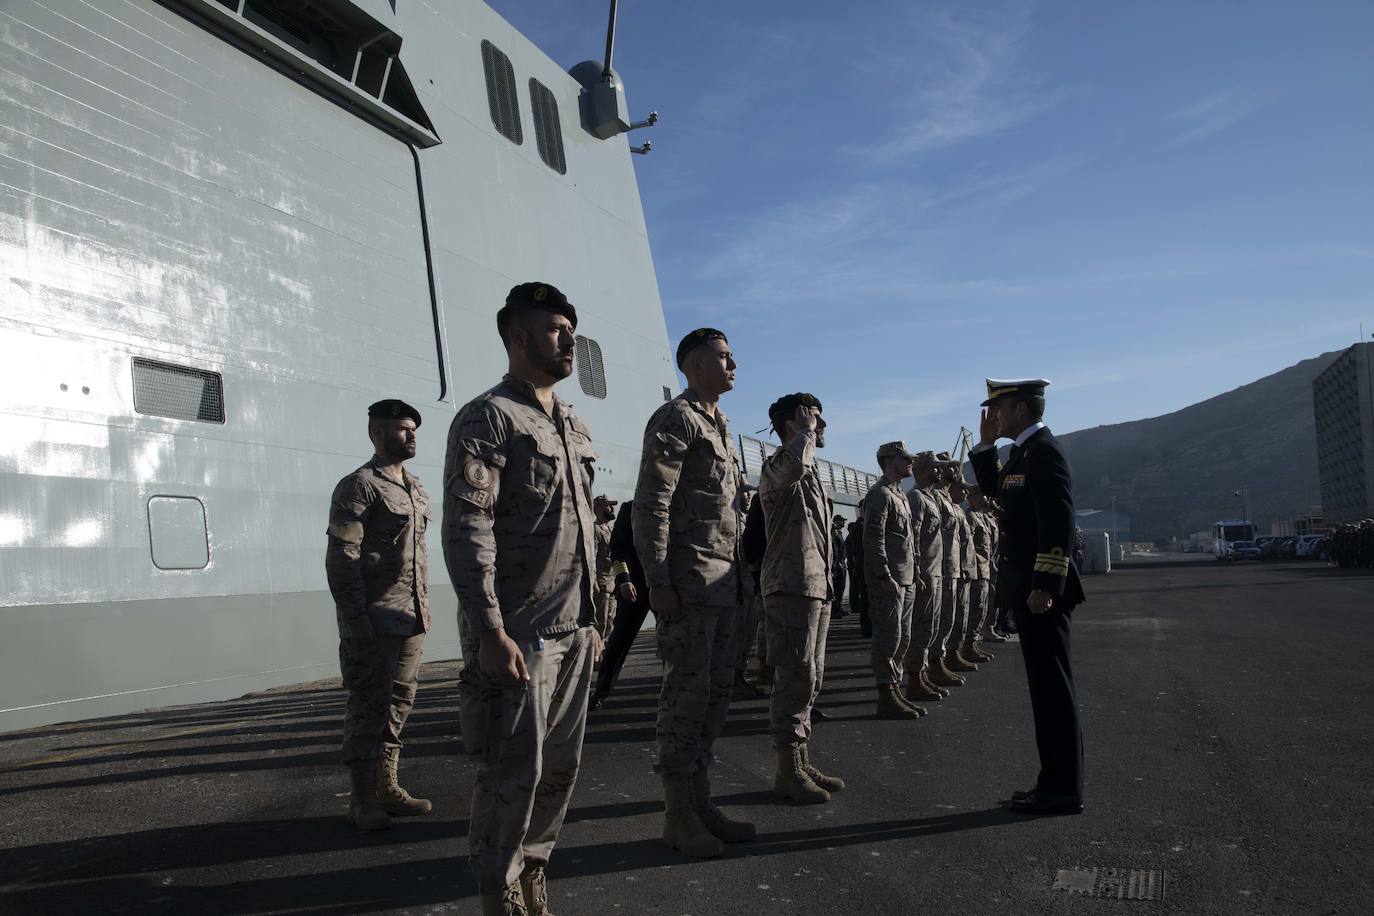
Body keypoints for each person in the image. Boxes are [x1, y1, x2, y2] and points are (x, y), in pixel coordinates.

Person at [443, 283, 603, 915]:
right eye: (555, 328)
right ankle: (497, 891)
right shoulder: (489, 418)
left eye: (570, 328)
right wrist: (489, 631)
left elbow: (588, 526)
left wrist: (596, 615)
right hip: (519, 632)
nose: (568, 340)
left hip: (575, 628)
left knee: (559, 772)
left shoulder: (573, 424)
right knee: (512, 776)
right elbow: (466, 527)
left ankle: (534, 868)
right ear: (517, 336)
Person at [633, 327, 754, 859]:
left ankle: (702, 803)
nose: (735, 365)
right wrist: (658, 580)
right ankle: (678, 815)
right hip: (689, 585)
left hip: (724, 583)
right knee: (685, 700)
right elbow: (651, 504)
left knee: (715, 697)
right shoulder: (676, 420)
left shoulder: (722, 426)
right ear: (695, 364)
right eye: (725, 357)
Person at [971, 377, 1086, 817]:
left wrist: (1045, 586)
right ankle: (1052, 782)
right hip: (1031, 586)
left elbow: (1058, 522)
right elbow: (1000, 496)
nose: (991, 417)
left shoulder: (1044, 451)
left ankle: (1061, 790)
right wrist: (983, 450)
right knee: (1045, 689)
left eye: (997, 409)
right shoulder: (1022, 452)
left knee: (1054, 689)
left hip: (1043, 590)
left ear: (1019, 410)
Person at [325, 398, 433, 832]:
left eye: (413, 429)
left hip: (411, 617)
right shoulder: (358, 486)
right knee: (368, 707)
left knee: (399, 705)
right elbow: (342, 556)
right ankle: (362, 799)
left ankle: (388, 786)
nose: (411, 436)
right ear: (377, 433)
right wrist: (355, 620)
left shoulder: (417, 488)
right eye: (402, 428)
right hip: (373, 619)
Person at [758, 393, 845, 804]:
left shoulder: (811, 473)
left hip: (816, 587)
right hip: (790, 587)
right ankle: (787, 770)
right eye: (815, 420)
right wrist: (806, 433)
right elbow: (792, 465)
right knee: (793, 677)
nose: (823, 427)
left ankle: (802, 758)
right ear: (794, 424)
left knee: (811, 677)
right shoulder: (778, 466)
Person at [862, 441, 924, 720]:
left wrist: (916, 573)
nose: (910, 462)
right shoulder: (880, 495)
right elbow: (873, 538)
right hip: (889, 579)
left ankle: (895, 688)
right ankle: (885, 694)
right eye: (905, 458)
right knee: (889, 638)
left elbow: (908, 541)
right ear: (889, 461)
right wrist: (884, 574)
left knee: (904, 637)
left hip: (906, 577)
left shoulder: (899, 494)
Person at [590, 500, 651, 709]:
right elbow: (618, 549)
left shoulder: (677, 507)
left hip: (667, 588)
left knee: (676, 642)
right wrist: (623, 579)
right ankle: (601, 691)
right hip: (636, 587)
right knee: (618, 642)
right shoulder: (630, 509)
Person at [904, 451, 948, 702]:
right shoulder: (917, 499)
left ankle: (923, 674)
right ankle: (914, 678)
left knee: (931, 627)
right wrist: (917, 572)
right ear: (921, 470)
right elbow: (915, 538)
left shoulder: (930, 497)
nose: (939, 471)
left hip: (936, 571)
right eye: (934, 467)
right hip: (925, 572)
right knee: (921, 628)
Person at [929, 454, 972, 685]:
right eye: (949, 467)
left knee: (950, 618)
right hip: (940, 568)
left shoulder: (947, 500)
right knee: (937, 621)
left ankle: (945, 658)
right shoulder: (933, 497)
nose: (954, 470)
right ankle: (934, 665)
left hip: (953, 568)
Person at [733, 487, 767, 699]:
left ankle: (738, 677)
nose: (747, 496)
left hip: (747, 585)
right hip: (733, 587)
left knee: (747, 635)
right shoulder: (729, 517)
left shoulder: (742, 518)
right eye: (743, 492)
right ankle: (734, 679)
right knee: (737, 636)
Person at [592, 495, 619, 643]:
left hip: (612, 584)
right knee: (599, 624)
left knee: (610, 624)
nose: (612, 509)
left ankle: (604, 657)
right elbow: (592, 557)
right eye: (608, 506)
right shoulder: (595, 530)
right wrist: (594, 583)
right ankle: (596, 659)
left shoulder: (610, 529)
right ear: (597, 509)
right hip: (601, 585)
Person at [846, 515, 871, 637]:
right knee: (866, 597)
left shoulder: (857, 529)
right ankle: (866, 627)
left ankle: (866, 626)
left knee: (865, 596)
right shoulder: (861, 528)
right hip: (864, 567)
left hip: (862, 567)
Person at [830, 515, 849, 619]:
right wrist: (837, 563)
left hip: (841, 562)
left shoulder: (839, 533)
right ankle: (834, 609)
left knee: (841, 586)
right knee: (837, 587)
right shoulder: (833, 534)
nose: (843, 523)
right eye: (841, 521)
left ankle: (838, 607)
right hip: (837, 564)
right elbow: (834, 549)